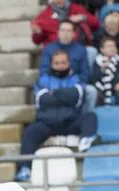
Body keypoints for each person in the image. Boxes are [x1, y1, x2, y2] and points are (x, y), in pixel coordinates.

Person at [17, 49, 98, 179]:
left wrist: (54, 93)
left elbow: (76, 96)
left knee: (90, 117)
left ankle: (85, 144)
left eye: (63, 63)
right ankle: (25, 168)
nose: (60, 66)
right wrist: (65, 95)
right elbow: (43, 100)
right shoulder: (43, 80)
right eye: (57, 63)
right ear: (52, 64)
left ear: (68, 63)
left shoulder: (75, 79)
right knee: (30, 132)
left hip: (69, 122)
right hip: (47, 123)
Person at [31, 0, 99, 47]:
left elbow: (96, 24)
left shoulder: (77, 8)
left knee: (91, 51)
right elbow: (36, 41)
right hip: (55, 51)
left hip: (77, 47)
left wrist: (82, 17)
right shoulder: (44, 15)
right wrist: (37, 33)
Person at [89, 36, 119, 106]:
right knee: (97, 95)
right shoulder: (98, 61)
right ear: (102, 49)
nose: (111, 48)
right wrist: (102, 70)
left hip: (115, 87)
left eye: (113, 46)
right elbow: (92, 78)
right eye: (108, 46)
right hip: (101, 87)